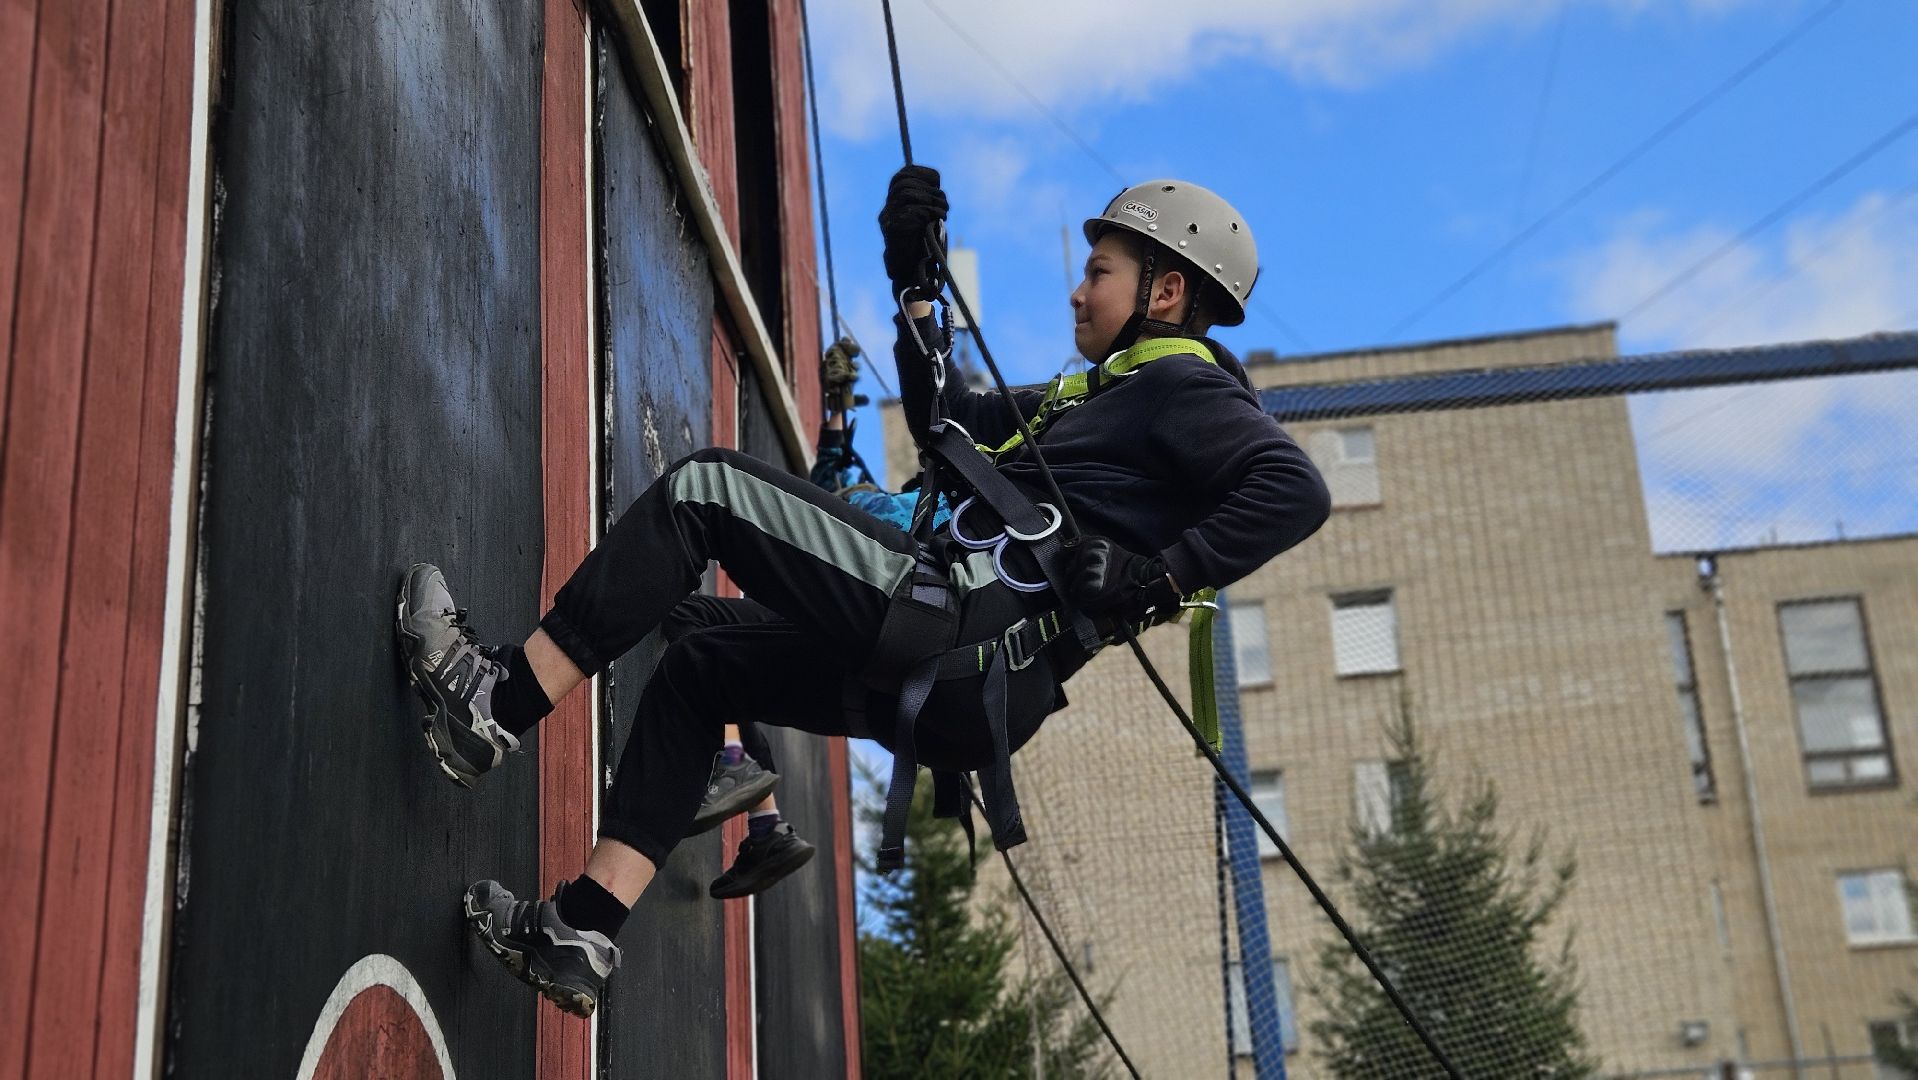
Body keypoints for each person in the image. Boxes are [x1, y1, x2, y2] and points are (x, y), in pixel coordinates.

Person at [394, 167, 1330, 1018]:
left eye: (1101, 271)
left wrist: (1150, 579)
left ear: (1166, 290)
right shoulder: (1094, 399)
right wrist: (915, 286)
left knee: (705, 491)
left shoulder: (1186, 391)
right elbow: (945, 421)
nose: (1079, 290)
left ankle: (492, 703)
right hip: (967, 684)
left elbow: (1295, 490)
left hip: (956, 624)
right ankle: (580, 932)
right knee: (701, 670)